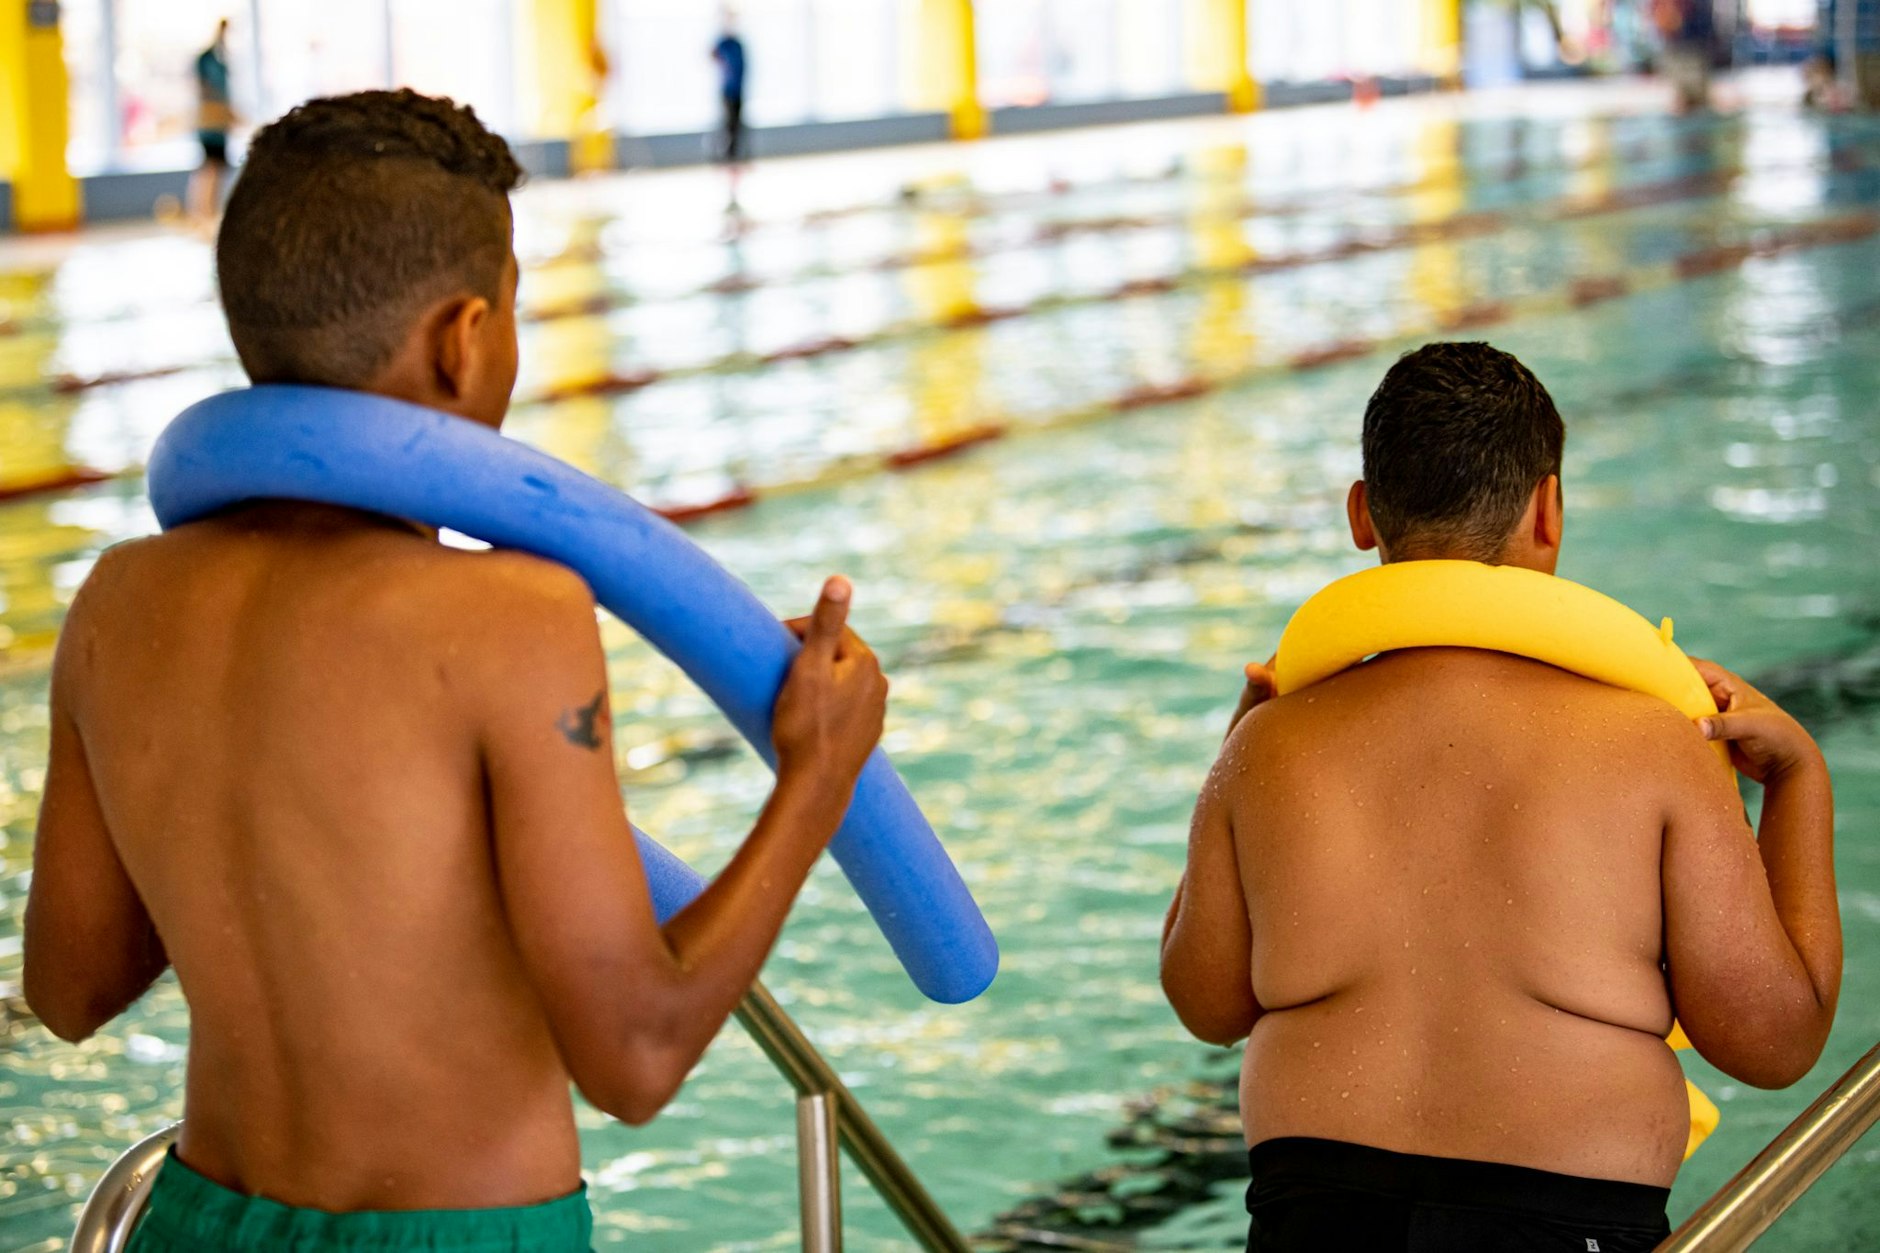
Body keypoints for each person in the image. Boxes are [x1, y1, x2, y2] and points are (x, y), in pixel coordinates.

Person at [23, 90, 889, 1251]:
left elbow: (70, 989)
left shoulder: (119, 602)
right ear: (463, 337)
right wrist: (817, 772)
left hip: (194, 1219)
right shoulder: (508, 615)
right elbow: (635, 1055)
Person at [1161, 342, 1839, 1252]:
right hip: (1558, 1225)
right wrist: (1799, 781)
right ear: (1548, 511)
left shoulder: (1272, 744)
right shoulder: (1652, 745)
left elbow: (1205, 1003)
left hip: (1314, 1215)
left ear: (1362, 515)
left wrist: (1235, 747)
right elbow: (1774, 1041)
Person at [189, 19, 236, 225]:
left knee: (217, 167)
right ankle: (202, 211)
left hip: (220, 125)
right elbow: (206, 89)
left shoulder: (220, 60)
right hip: (210, 124)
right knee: (210, 166)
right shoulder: (206, 60)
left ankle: (209, 210)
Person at [711, 11, 748, 167]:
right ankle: (726, 155)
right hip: (727, 90)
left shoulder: (738, 44)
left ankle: (734, 154)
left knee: (737, 124)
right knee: (728, 123)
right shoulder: (723, 43)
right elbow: (712, 54)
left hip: (739, 89)